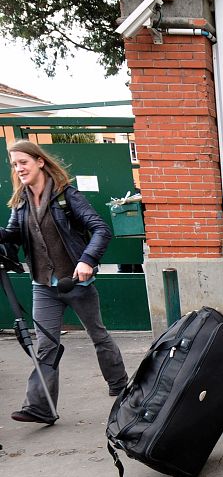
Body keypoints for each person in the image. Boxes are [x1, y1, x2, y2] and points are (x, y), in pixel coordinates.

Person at [0, 140, 128, 425]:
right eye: (15, 164)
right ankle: (40, 406)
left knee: (98, 336)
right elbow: (12, 235)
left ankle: (121, 386)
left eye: (23, 162)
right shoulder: (20, 201)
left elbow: (100, 229)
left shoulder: (65, 196)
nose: (19, 169)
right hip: (43, 285)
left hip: (75, 282)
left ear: (39, 162)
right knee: (46, 345)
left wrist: (87, 260)